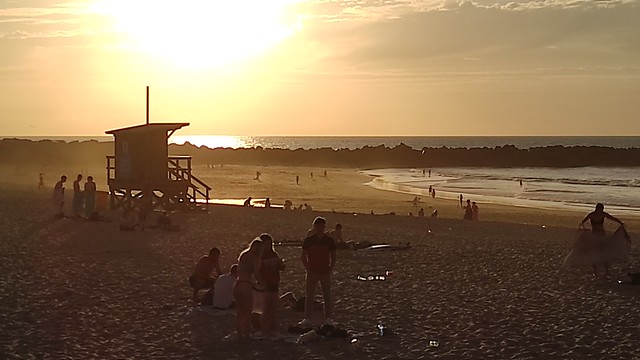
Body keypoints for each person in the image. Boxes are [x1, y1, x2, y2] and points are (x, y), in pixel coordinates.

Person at [566, 203, 627, 276]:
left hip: (602, 235)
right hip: (594, 235)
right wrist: (585, 229)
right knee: (595, 253)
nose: (601, 210)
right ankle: (595, 272)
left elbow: (612, 218)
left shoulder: (602, 214)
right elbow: (583, 222)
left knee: (605, 252)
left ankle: (606, 271)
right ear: (598, 208)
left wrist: (620, 222)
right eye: (601, 209)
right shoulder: (592, 214)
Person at [299, 217, 337, 327]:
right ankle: (307, 318)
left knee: (327, 295)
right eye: (318, 226)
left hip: (324, 271)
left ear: (324, 227)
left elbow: (333, 256)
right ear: (314, 227)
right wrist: (308, 268)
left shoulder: (329, 241)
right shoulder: (309, 240)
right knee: (309, 295)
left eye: (322, 226)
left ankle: (328, 318)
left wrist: (330, 268)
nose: (320, 228)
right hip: (312, 271)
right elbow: (303, 256)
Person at [234, 239, 264, 340]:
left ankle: (240, 335)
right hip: (246, 285)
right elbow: (256, 274)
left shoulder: (243, 255)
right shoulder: (255, 257)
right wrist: (263, 284)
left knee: (239, 313)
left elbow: (239, 271)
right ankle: (246, 335)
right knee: (247, 313)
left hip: (237, 284)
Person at [256, 234, 285, 337]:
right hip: (265, 283)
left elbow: (280, 267)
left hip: (274, 282)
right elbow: (256, 272)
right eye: (265, 244)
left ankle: (271, 328)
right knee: (266, 308)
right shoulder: (259, 256)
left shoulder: (273, 254)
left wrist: (281, 265)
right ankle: (264, 330)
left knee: (273, 307)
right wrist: (262, 283)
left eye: (269, 243)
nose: (267, 246)